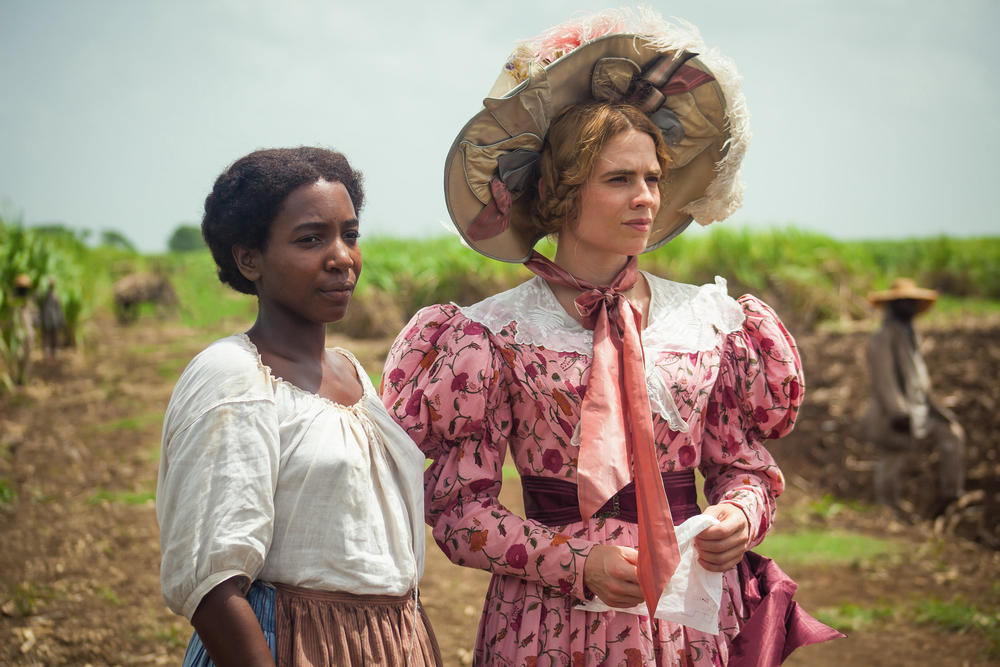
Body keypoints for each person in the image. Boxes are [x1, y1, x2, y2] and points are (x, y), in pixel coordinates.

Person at [382, 11, 842, 666]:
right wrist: (577, 561)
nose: (647, 198)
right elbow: (461, 511)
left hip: (689, 616)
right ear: (562, 192)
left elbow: (746, 467)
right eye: (620, 179)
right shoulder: (492, 336)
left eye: (653, 178)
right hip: (548, 625)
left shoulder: (709, 323)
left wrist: (739, 515)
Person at [156, 147, 442, 667]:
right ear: (249, 259)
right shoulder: (235, 378)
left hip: (387, 643)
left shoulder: (353, 374)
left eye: (350, 235)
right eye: (311, 239)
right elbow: (213, 583)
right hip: (290, 643)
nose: (342, 257)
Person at [864, 277, 966, 515]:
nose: (908, 307)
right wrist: (897, 412)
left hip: (922, 408)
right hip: (898, 411)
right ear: (892, 305)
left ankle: (951, 496)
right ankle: (887, 509)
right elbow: (884, 378)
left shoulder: (911, 334)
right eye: (903, 302)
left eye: (911, 302)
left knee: (953, 435)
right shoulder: (883, 337)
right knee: (891, 458)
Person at [39, 276, 65, 358]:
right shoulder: (46, 296)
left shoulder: (51, 296)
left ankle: (52, 354)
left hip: (52, 320)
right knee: (49, 338)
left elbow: (59, 310)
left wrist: (61, 320)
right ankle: (49, 354)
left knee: (52, 338)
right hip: (49, 320)